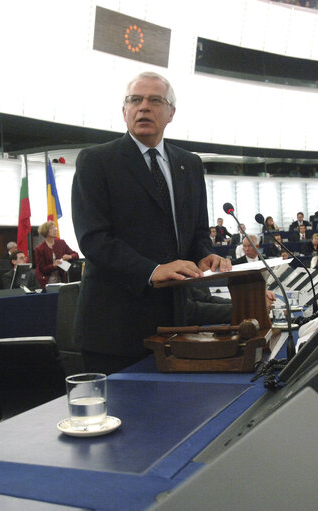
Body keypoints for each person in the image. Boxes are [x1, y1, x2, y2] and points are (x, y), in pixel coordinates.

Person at [71, 71, 230, 374]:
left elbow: (197, 231)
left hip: (178, 322)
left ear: (171, 113)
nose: (143, 107)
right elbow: (94, 239)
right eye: (135, 100)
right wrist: (152, 270)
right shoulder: (96, 161)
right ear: (124, 111)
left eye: (155, 100)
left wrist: (204, 255)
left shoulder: (190, 164)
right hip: (115, 329)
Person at [34, 221, 79, 290]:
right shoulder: (39, 249)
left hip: (62, 280)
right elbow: (42, 269)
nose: (55, 229)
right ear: (45, 231)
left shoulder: (61, 243)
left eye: (55, 227)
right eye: (52, 228)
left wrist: (70, 256)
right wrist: (54, 265)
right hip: (47, 282)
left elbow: (76, 255)